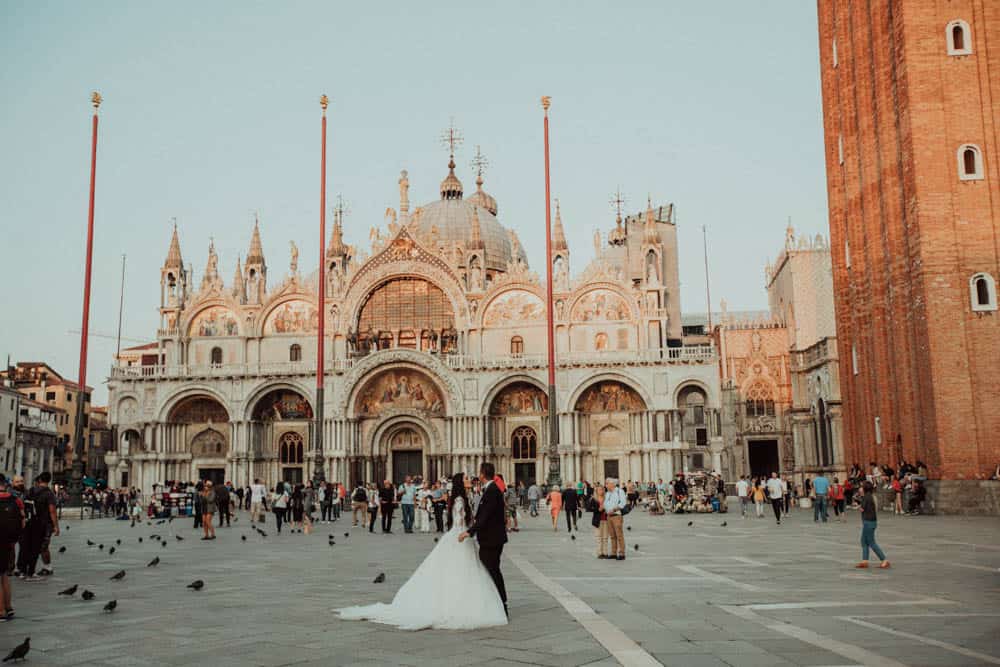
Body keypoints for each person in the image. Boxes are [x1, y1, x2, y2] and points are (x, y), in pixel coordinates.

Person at [338, 470, 507, 629]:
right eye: (464, 479)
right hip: (460, 535)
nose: (468, 480)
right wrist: (468, 530)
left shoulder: (460, 499)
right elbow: (462, 520)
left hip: (460, 535)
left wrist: (469, 530)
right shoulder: (460, 501)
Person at [0, 474, 25, 622]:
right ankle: (8, 608)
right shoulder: (15, 499)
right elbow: (22, 521)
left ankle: (1, 611)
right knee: (4, 575)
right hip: (9, 543)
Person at [856, 481, 890, 569]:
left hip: (868, 522)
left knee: (871, 542)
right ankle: (865, 561)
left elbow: (862, 509)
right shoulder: (869, 496)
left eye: (861, 487)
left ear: (864, 488)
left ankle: (884, 560)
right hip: (870, 521)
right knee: (864, 541)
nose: (860, 488)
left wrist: (857, 504)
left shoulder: (866, 497)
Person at [604, 478, 627, 560]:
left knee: (619, 535)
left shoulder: (619, 491)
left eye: (607, 483)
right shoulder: (607, 493)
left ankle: (622, 553)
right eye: (606, 483)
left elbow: (623, 503)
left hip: (616, 515)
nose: (606, 485)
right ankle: (613, 552)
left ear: (612, 484)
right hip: (609, 516)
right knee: (612, 536)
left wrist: (614, 509)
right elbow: (605, 503)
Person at [589, 485, 608, 559]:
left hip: (606, 519)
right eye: (599, 490)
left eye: (602, 490)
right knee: (599, 537)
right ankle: (600, 553)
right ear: (596, 491)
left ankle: (605, 552)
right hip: (597, 520)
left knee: (605, 537)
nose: (601, 491)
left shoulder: (607, 499)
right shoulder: (593, 499)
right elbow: (589, 508)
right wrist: (598, 509)